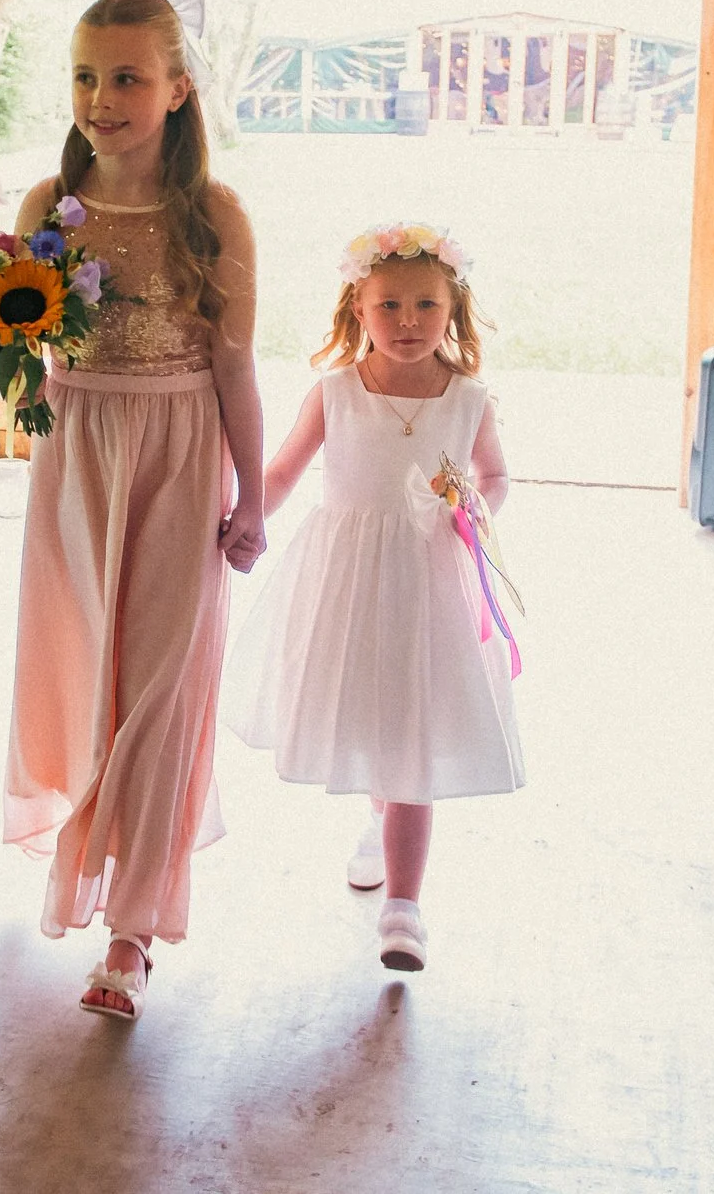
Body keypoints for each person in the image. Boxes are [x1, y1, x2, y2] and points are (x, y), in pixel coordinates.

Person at [3, 0, 267, 1023]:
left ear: (176, 87)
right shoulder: (44, 207)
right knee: (83, 674)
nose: (100, 98)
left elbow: (237, 369)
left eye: (124, 77)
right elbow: (18, 354)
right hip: (75, 454)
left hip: (177, 455)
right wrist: (12, 369)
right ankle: (79, 856)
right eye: (84, 75)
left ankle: (131, 928)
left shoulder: (215, 217)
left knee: (160, 685)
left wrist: (250, 496)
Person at [223, 223, 517, 973]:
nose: (409, 321)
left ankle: (404, 907)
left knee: (412, 740)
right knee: (369, 720)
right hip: (348, 580)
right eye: (390, 305)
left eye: (427, 304)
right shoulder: (335, 393)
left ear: (454, 308)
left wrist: (476, 507)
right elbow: (284, 468)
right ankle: (381, 821)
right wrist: (247, 515)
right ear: (358, 306)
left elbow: (495, 474)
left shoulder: (469, 398)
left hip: (429, 582)